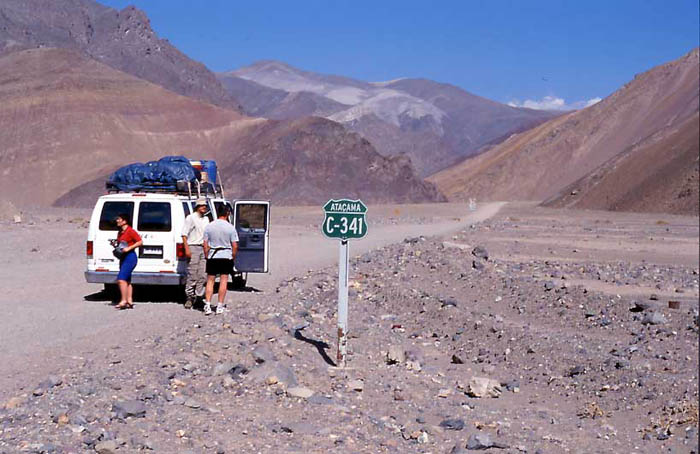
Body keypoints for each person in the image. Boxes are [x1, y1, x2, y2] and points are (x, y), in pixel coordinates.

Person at [202, 205, 238, 316]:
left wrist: (207, 255)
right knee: (223, 281)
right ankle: (219, 306)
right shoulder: (230, 228)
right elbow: (235, 245)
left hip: (213, 255)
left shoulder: (209, 226)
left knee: (210, 281)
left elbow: (205, 244)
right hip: (226, 256)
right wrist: (233, 256)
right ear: (227, 213)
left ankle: (207, 305)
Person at [181, 198, 210, 309]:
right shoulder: (191, 218)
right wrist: (187, 248)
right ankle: (189, 297)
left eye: (205, 205)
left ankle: (199, 297)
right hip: (193, 246)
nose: (204, 207)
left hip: (203, 248)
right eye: (202, 205)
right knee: (192, 273)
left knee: (202, 274)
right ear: (197, 206)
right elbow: (184, 234)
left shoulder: (206, 219)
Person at [115, 213, 142, 310]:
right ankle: (129, 300)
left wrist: (129, 248)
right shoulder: (120, 232)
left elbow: (140, 241)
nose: (117, 220)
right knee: (127, 280)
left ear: (124, 221)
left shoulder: (130, 231)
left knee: (121, 279)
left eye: (119, 219)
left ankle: (123, 300)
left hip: (130, 257)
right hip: (123, 257)